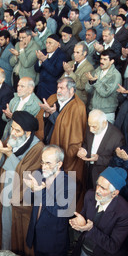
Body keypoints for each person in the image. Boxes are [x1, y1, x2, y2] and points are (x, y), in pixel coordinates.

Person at [0, 110, 44, 256]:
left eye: (17, 130)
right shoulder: (11, 140)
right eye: (12, 128)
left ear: (28, 133)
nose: (12, 133)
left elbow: (25, 175)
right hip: (5, 196)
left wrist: (6, 154)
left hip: (21, 202)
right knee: (5, 233)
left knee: (19, 238)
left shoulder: (38, 149)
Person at [70, 166, 128, 256]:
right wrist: (78, 222)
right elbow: (83, 217)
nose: (97, 190)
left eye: (103, 188)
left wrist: (89, 228)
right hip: (87, 254)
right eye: (98, 185)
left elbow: (113, 246)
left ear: (115, 193)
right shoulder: (89, 195)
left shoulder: (125, 212)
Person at [25, 145, 76, 256]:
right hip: (38, 233)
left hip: (54, 238)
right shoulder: (40, 175)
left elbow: (60, 212)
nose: (43, 166)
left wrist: (40, 191)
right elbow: (32, 200)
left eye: (48, 163)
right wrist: (32, 189)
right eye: (42, 162)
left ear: (59, 164)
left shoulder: (69, 184)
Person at [36, 77, 87, 210]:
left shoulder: (78, 107)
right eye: (58, 87)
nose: (58, 91)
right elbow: (42, 119)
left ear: (71, 90)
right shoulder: (53, 98)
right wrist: (47, 114)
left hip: (63, 151)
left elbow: (73, 134)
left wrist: (53, 113)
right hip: (48, 144)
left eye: (62, 88)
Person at [78, 109, 125, 190]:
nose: (90, 130)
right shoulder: (91, 126)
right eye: (89, 126)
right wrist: (84, 150)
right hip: (87, 169)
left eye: (94, 127)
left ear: (104, 123)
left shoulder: (117, 137)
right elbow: (86, 142)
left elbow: (117, 160)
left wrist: (98, 159)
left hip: (102, 174)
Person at [85, 49, 122, 123]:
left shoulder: (115, 75)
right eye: (101, 58)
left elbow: (105, 93)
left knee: (105, 134)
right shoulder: (97, 70)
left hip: (106, 112)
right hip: (93, 109)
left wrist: (95, 81)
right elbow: (88, 89)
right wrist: (90, 82)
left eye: (105, 59)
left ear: (112, 61)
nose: (101, 61)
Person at [34, 34, 67, 101]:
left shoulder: (62, 55)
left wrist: (44, 60)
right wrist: (40, 61)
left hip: (51, 90)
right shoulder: (43, 52)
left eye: (50, 43)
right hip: (40, 89)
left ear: (57, 44)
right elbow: (36, 69)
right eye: (46, 43)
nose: (47, 45)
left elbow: (55, 72)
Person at [61, 41, 94, 105]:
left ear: (84, 53)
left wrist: (70, 73)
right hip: (64, 98)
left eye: (77, 52)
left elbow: (82, 86)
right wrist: (66, 73)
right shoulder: (70, 63)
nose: (74, 55)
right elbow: (60, 80)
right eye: (74, 52)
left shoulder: (89, 67)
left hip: (77, 101)